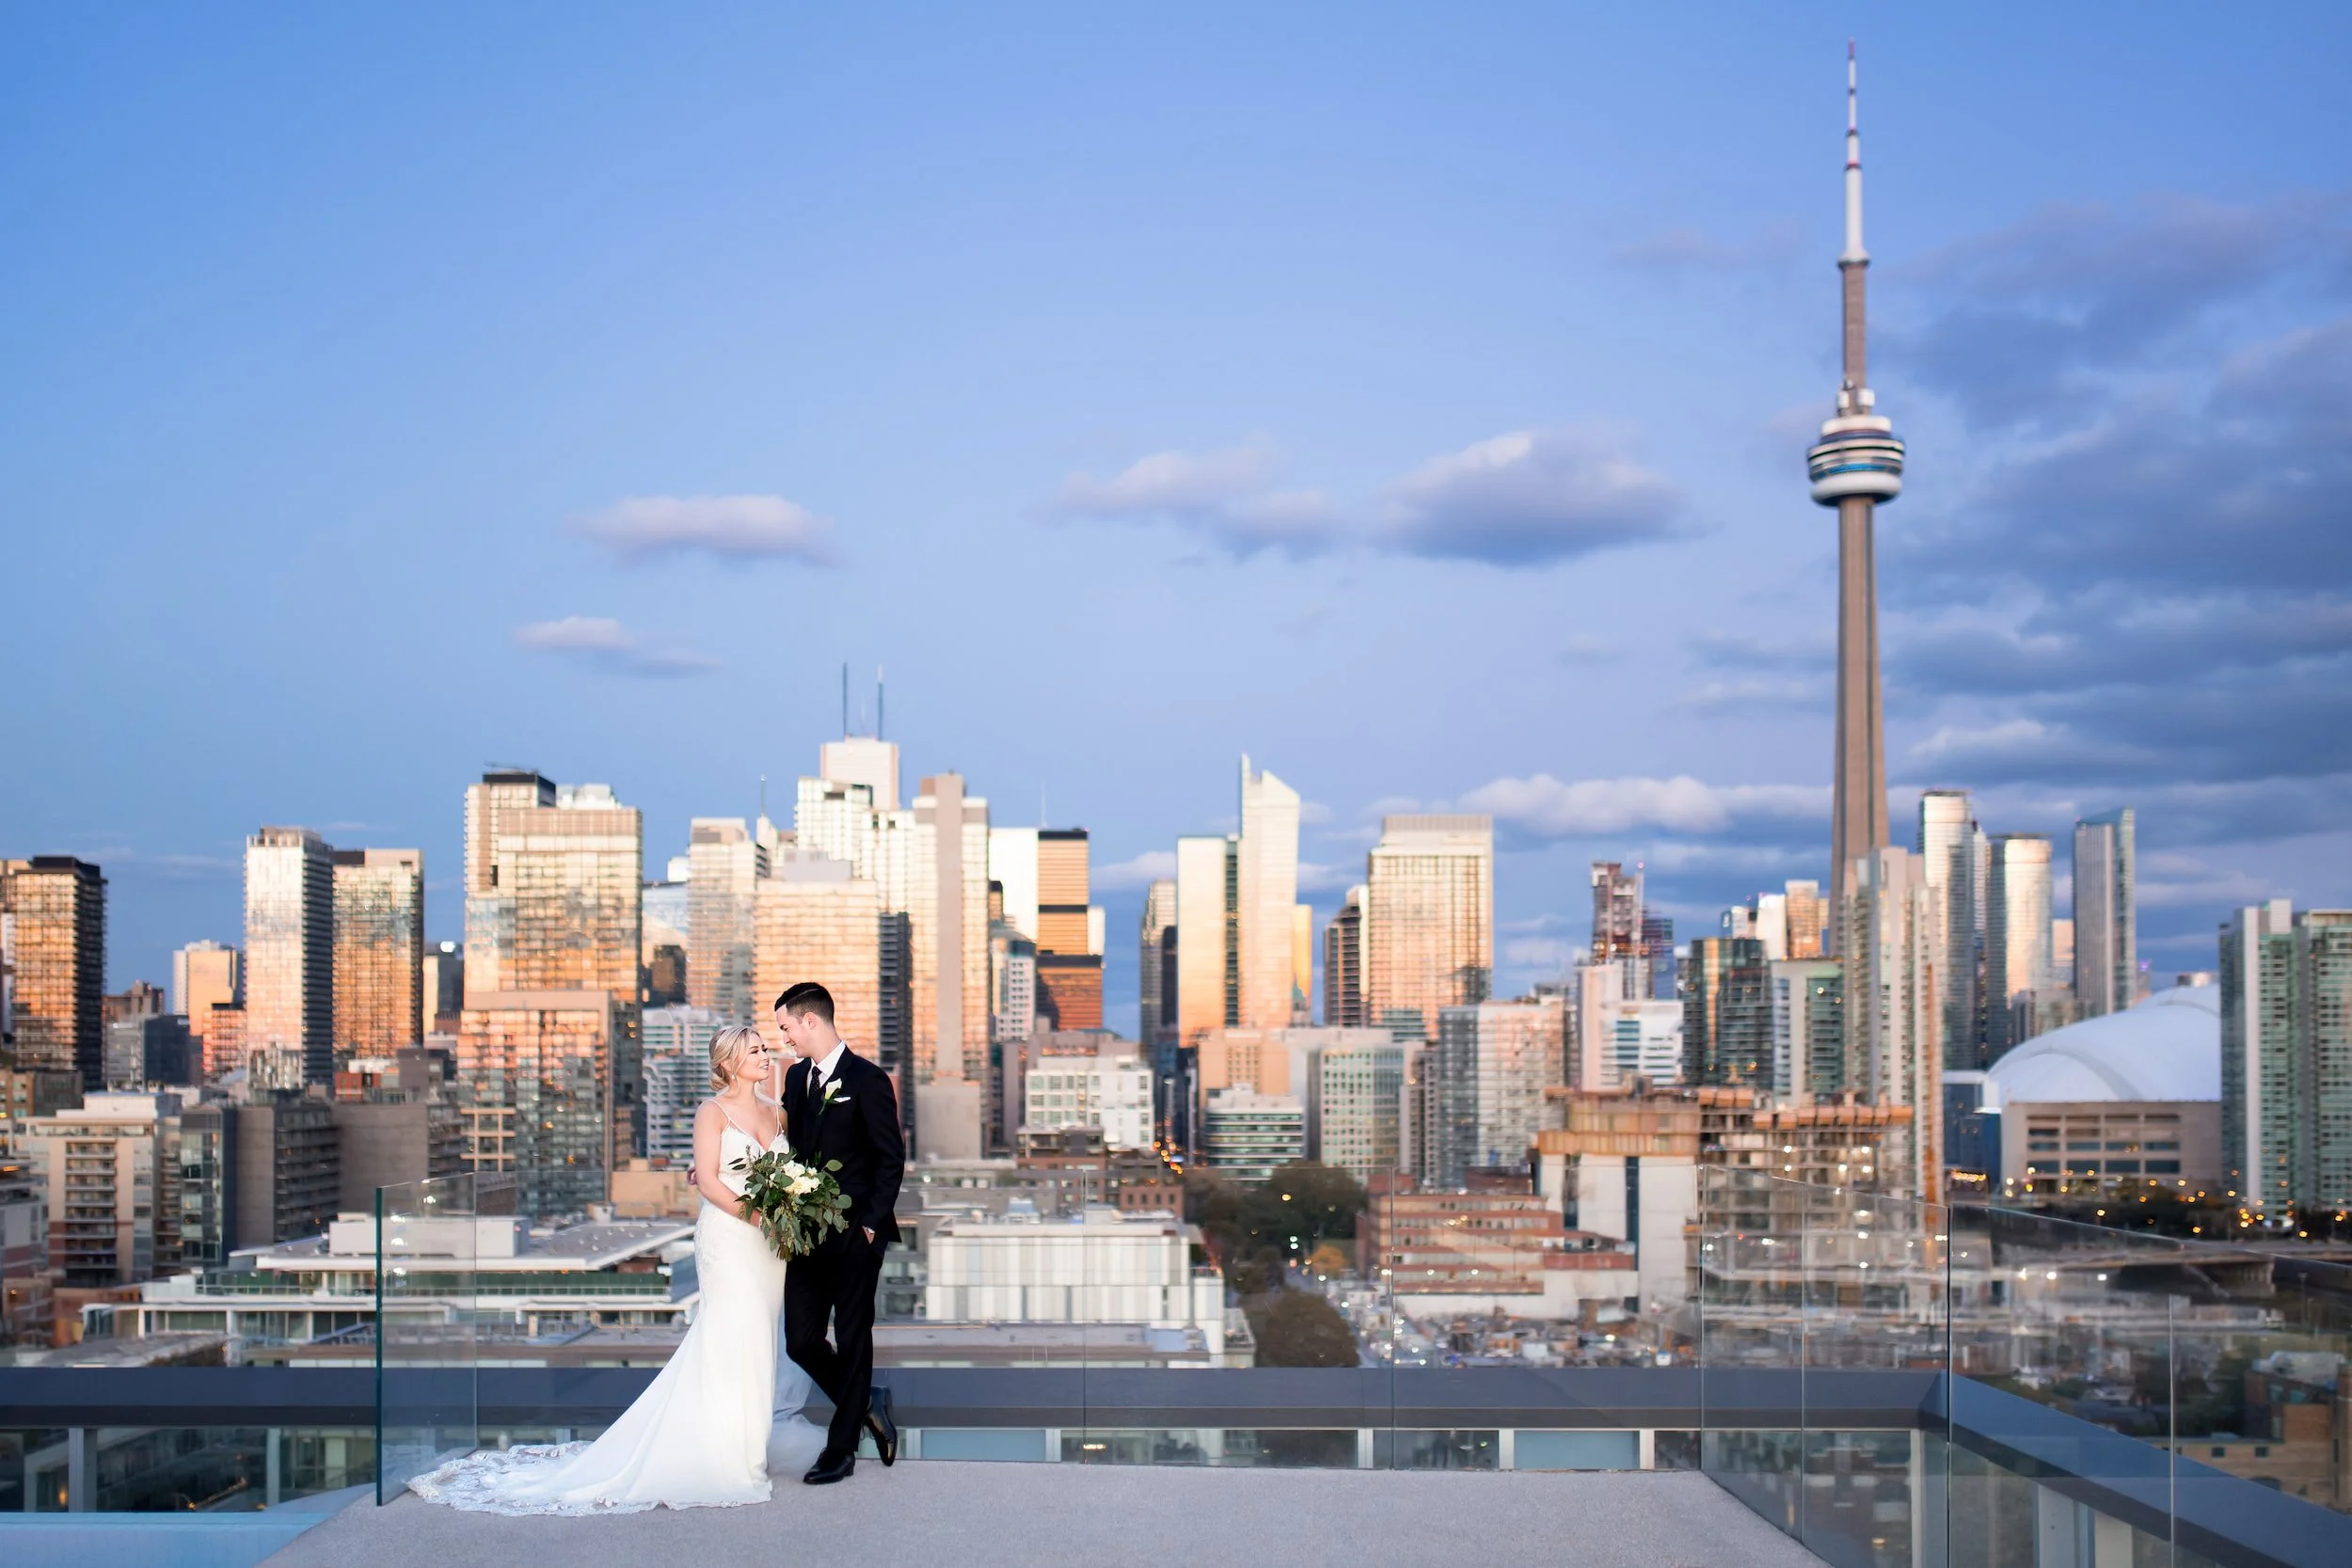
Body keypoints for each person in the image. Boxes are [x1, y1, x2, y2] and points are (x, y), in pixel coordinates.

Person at [407, 1024, 827, 1513]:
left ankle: (741, 1445)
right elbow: (709, 1183)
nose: (762, 1055)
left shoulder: (778, 1113)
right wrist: (760, 1217)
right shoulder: (710, 1112)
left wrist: (790, 1211)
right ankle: (733, 1459)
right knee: (731, 1340)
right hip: (732, 1240)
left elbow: (792, 1173)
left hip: (770, 1249)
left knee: (761, 1344)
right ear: (728, 1063)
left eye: (762, 1048)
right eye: (753, 1050)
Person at [776, 981, 904, 1484]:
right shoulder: (794, 1080)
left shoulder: (869, 1080)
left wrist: (870, 1227)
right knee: (801, 1342)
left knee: (853, 1341)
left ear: (811, 1021)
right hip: (804, 1236)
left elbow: (889, 1160)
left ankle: (841, 1450)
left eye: (787, 1027)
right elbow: (787, 1147)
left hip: (856, 1236)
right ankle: (866, 1401)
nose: (784, 1038)